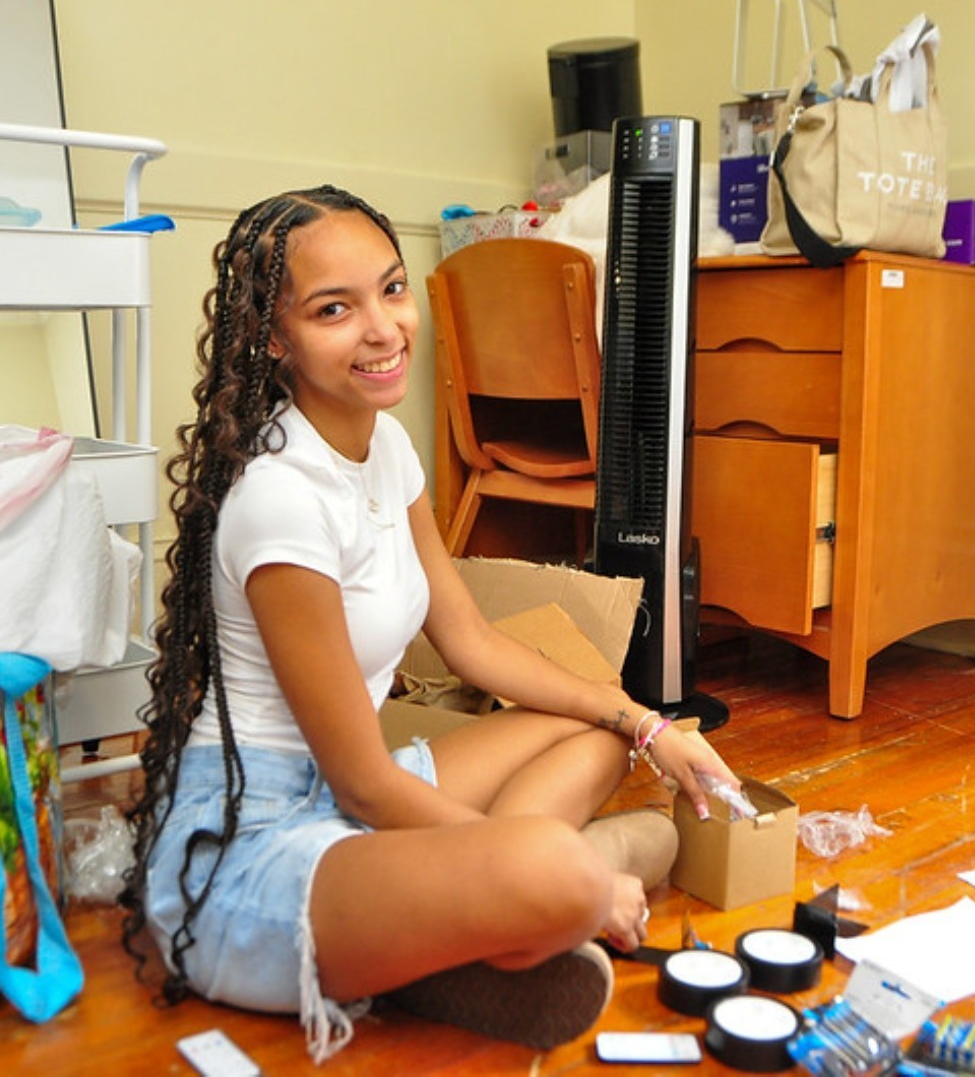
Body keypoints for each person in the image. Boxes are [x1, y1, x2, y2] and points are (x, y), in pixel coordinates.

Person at [119, 185, 739, 1063]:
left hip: (349, 806)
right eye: (335, 309)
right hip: (257, 848)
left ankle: (455, 927)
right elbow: (366, 785)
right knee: (563, 873)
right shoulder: (280, 503)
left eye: (393, 289)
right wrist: (581, 882)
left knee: (598, 729)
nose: (384, 328)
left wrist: (648, 722)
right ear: (272, 336)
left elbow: (472, 643)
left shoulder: (387, 444)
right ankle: (528, 901)